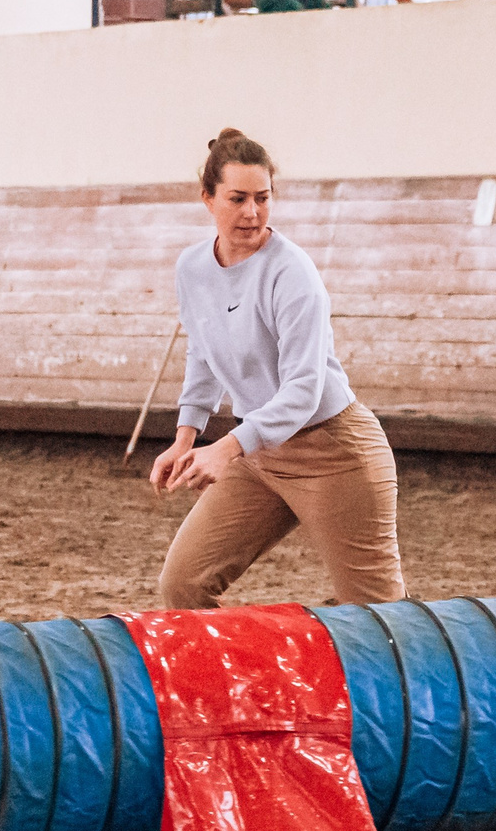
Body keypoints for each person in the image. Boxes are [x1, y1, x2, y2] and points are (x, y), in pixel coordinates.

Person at [152, 128, 405, 607]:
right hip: (261, 453)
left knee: (378, 618)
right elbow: (203, 352)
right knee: (183, 585)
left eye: (262, 198)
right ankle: (237, 684)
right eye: (237, 198)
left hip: (335, 451)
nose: (251, 212)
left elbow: (304, 390)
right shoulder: (191, 268)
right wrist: (186, 438)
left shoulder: (294, 274)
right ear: (208, 199)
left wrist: (226, 449)